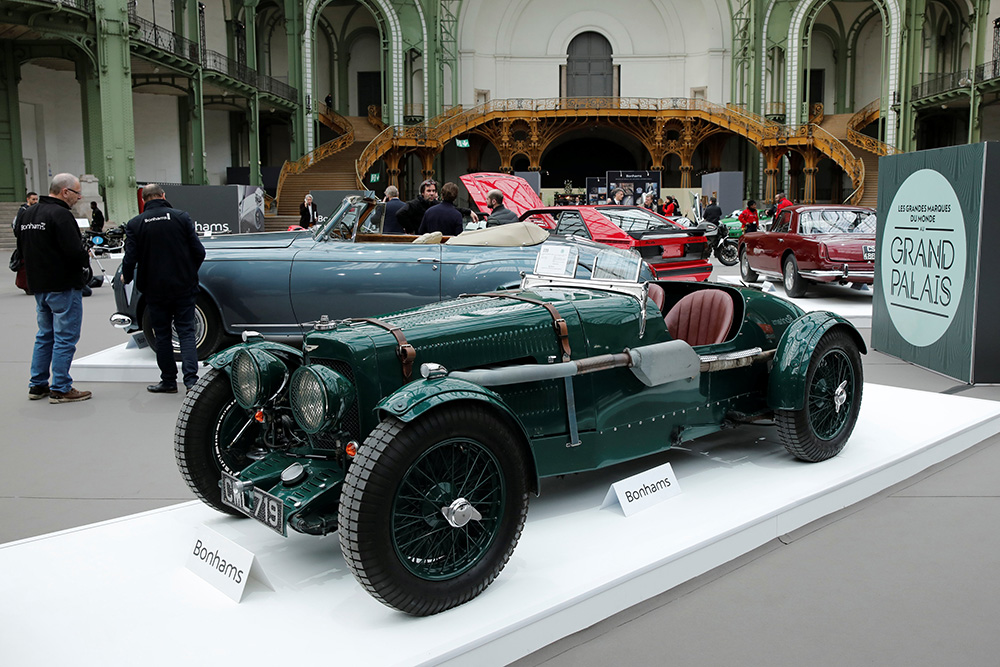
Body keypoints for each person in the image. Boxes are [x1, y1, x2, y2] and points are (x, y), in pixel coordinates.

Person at [121, 183, 206, 393]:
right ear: (163, 195)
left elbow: (130, 257)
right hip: (183, 286)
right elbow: (199, 251)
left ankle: (168, 381)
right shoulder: (181, 217)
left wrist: (127, 276)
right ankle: (191, 382)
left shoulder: (135, 223)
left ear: (144, 199)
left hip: (154, 288)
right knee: (186, 332)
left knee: (162, 334)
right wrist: (188, 272)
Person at [14, 174, 91, 403]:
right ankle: (61, 387)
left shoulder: (27, 214)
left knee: (44, 335)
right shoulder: (61, 215)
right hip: (63, 284)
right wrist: (83, 259)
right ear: (65, 191)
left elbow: (21, 248)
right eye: (77, 193)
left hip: (39, 284)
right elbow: (73, 251)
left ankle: (37, 384)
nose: (79, 197)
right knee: (65, 337)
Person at [396, 179, 477, 234]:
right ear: (422, 193)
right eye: (428, 191)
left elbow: (451, 209)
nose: (432, 193)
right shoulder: (414, 204)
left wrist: (468, 211)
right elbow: (400, 214)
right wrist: (411, 229)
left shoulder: (435, 204)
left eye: (433, 191)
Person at [13, 191, 38, 294]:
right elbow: (18, 227)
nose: (35, 201)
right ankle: (28, 285)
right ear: (28, 199)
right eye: (33, 199)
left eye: (36, 199)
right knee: (27, 266)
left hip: (32, 241)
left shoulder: (34, 210)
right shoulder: (23, 210)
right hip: (26, 242)